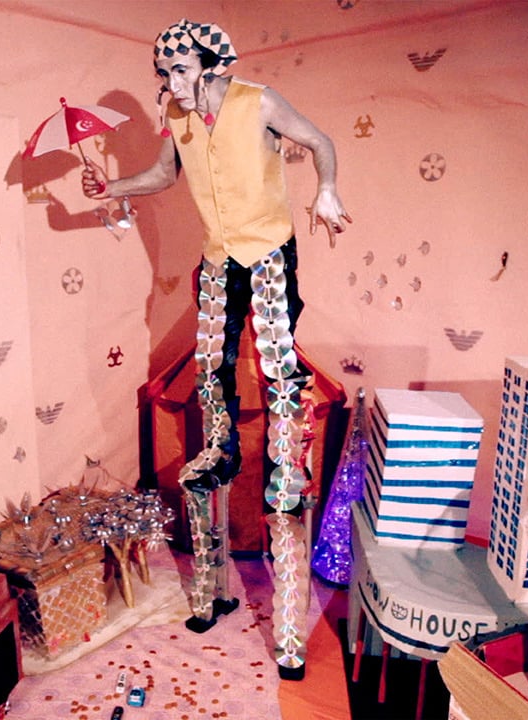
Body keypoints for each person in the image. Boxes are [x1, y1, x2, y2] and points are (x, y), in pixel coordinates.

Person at [82, 18, 350, 680]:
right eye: (163, 73)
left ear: (209, 64)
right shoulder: (178, 118)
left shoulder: (258, 101)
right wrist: (110, 188)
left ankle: (287, 465)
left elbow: (319, 141)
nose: (169, 83)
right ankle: (221, 454)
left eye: (178, 70)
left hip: (269, 250)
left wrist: (327, 188)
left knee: (278, 360)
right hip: (218, 258)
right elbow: (161, 173)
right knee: (212, 367)